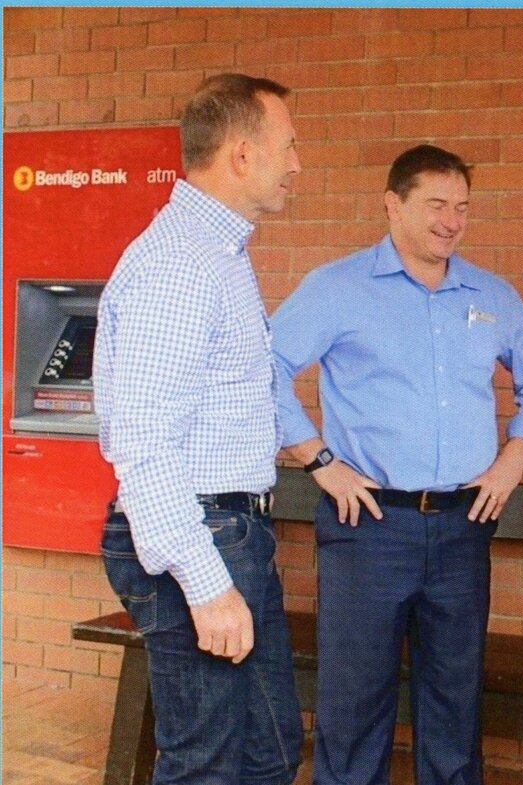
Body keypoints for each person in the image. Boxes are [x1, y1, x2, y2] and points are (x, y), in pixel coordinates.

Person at [270, 144, 523, 785]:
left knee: (455, 704)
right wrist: (319, 460)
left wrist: (515, 454)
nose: (451, 220)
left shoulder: (491, 294)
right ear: (392, 204)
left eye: (462, 207)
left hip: (462, 526)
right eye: (436, 204)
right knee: (353, 706)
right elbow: (262, 371)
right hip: (368, 526)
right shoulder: (337, 288)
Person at [93, 73, 304, 785]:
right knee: (206, 766)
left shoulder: (219, 254)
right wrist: (206, 582)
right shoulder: (182, 263)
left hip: (232, 532)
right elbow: (144, 441)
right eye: (288, 147)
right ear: (242, 154)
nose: (297, 166)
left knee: (268, 752)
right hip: (204, 537)